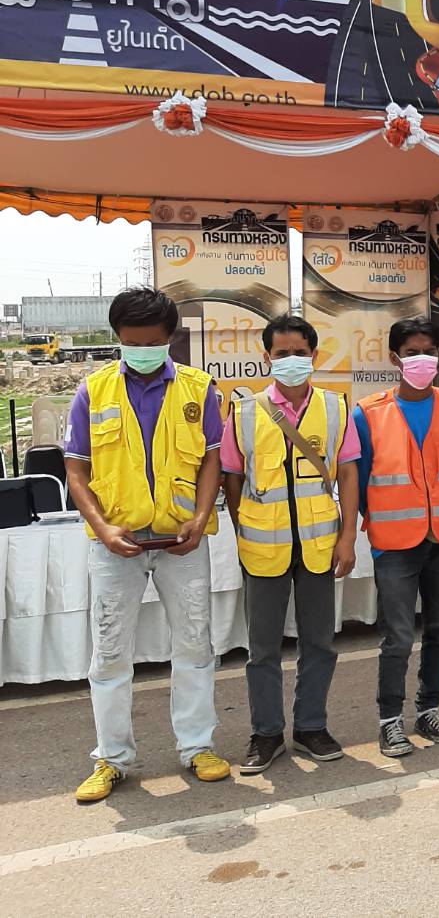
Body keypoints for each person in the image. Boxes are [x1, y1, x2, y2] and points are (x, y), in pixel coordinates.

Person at [63, 288, 229, 802]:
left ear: (170, 338)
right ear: (117, 338)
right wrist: (102, 528)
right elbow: (75, 468)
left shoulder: (199, 389)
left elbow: (211, 459)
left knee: (195, 646)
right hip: (118, 542)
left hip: (183, 540)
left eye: (151, 343)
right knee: (110, 652)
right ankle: (111, 758)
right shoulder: (93, 391)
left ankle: (197, 747)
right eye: (131, 343)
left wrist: (200, 518)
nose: (140, 351)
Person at [221, 315, 359, 775]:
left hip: (320, 544)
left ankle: (311, 727)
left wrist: (348, 537)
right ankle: (265, 733)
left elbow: (348, 473)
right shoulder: (244, 412)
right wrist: (246, 525)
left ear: (314, 356)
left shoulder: (335, 408)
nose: (291, 360)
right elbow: (232, 478)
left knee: (319, 642)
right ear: (267, 357)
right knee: (262, 648)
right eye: (282, 354)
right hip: (263, 546)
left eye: (300, 353)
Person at [353, 317, 439, 758]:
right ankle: (390, 721)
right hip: (394, 543)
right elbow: (359, 480)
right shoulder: (367, 413)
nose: (420, 359)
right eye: (411, 352)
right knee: (398, 637)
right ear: (394, 358)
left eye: (428, 351)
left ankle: (429, 710)